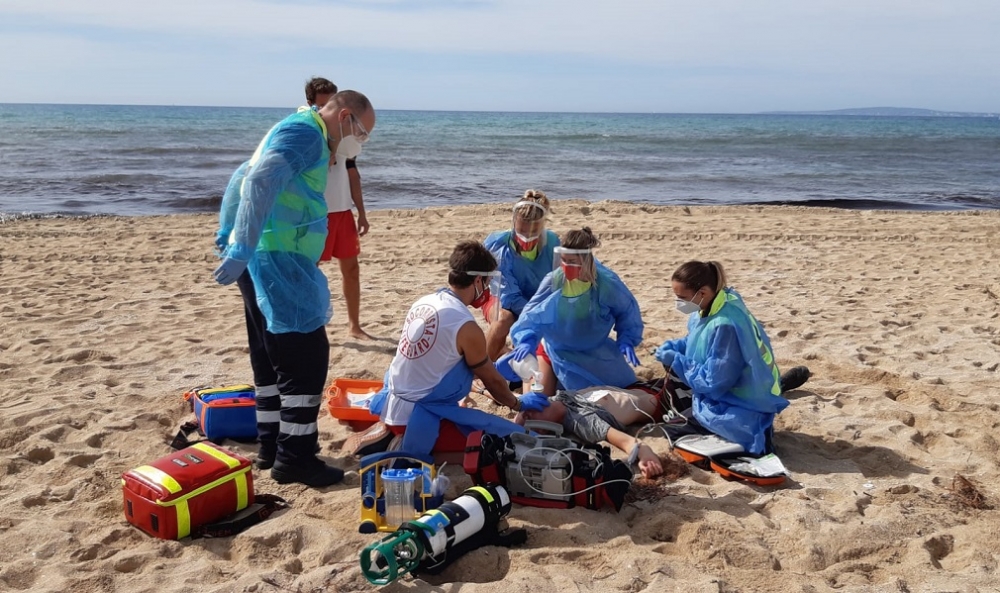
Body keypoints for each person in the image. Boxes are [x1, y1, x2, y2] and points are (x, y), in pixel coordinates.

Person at [213, 90, 376, 487]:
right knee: (305, 355)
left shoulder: (295, 128)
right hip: (277, 255)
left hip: (264, 254)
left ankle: (271, 445)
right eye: (363, 134)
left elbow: (241, 176)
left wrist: (232, 234)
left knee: (268, 352)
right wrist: (240, 244)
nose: (360, 143)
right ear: (345, 117)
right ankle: (296, 457)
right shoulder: (306, 133)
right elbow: (259, 179)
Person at [363, 241, 550, 458]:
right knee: (499, 443)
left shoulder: (423, 302)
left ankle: (394, 433)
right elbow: (492, 382)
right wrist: (518, 403)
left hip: (393, 405)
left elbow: (438, 361)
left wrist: (495, 367)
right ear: (478, 280)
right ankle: (406, 447)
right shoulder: (465, 326)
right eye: (487, 283)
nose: (488, 290)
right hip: (418, 417)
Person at [653, 260, 791, 455]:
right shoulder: (714, 304)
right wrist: (677, 347)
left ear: (702, 293)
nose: (679, 303)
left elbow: (713, 382)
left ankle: (756, 433)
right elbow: (698, 340)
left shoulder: (725, 325)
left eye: (682, 297)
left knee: (676, 429)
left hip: (744, 400)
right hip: (747, 388)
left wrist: (677, 360)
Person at [509, 227, 644, 395]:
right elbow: (532, 315)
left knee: (624, 391)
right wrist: (527, 339)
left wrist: (627, 339)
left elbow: (626, 310)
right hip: (555, 351)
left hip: (594, 351)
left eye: (571, 261)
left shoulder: (606, 284)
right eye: (563, 260)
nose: (565, 266)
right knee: (538, 400)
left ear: (586, 260)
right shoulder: (555, 281)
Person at [306, 77, 372, 340]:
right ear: (312, 104)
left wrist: (362, 211)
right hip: (316, 212)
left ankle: (354, 326)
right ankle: (313, 325)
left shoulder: (345, 134)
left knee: (351, 270)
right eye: (322, 105)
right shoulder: (308, 132)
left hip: (342, 210)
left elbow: (352, 172)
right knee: (310, 271)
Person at [513, 386, 665, 479]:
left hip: (634, 387)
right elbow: (630, 443)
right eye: (528, 418)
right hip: (660, 400)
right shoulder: (583, 422)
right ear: (542, 429)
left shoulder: (554, 398)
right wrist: (646, 456)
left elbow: (501, 392)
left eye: (525, 413)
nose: (528, 411)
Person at [482, 190, 560, 362]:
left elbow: (559, 281)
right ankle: (480, 370)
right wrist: (539, 317)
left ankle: (510, 356)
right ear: (514, 224)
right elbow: (510, 297)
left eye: (533, 233)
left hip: (537, 301)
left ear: (542, 226)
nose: (526, 237)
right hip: (500, 298)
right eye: (521, 232)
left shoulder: (553, 243)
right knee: (504, 318)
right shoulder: (500, 249)